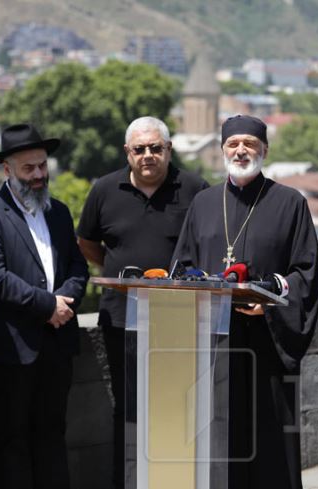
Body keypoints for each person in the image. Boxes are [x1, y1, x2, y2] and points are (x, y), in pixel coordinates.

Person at [172, 114, 318, 489]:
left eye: (249, 144)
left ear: (264, 150)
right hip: (213, 348)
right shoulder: (204, 203)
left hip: (267, 347)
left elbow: (307, 273)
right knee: (218, 447)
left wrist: (269, 301)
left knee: (269, 448)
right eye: (233, 144)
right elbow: (181, 268)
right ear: (222, 150)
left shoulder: (290, 203)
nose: (241, 151)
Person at [76, 116, 207, 487]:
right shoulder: (104, 189)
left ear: (169, 149)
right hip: (122, 319)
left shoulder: (196, 188)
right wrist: (123, 277)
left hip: (180, 318)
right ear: (127, 153)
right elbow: (86, 242)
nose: (147, 156)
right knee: (129, 410)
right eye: (139, 149)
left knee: (177, 409)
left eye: (155, 148)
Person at [0, 124, 89, 489]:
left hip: (57, 346)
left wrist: (65, 301)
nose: (39, 175)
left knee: (53, 433)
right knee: (12, 440)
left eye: (42, 166)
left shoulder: (59, 211)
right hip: (13, 347)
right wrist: (48, 306)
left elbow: (77, 265)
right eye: (29, 169)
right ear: (7, 170)